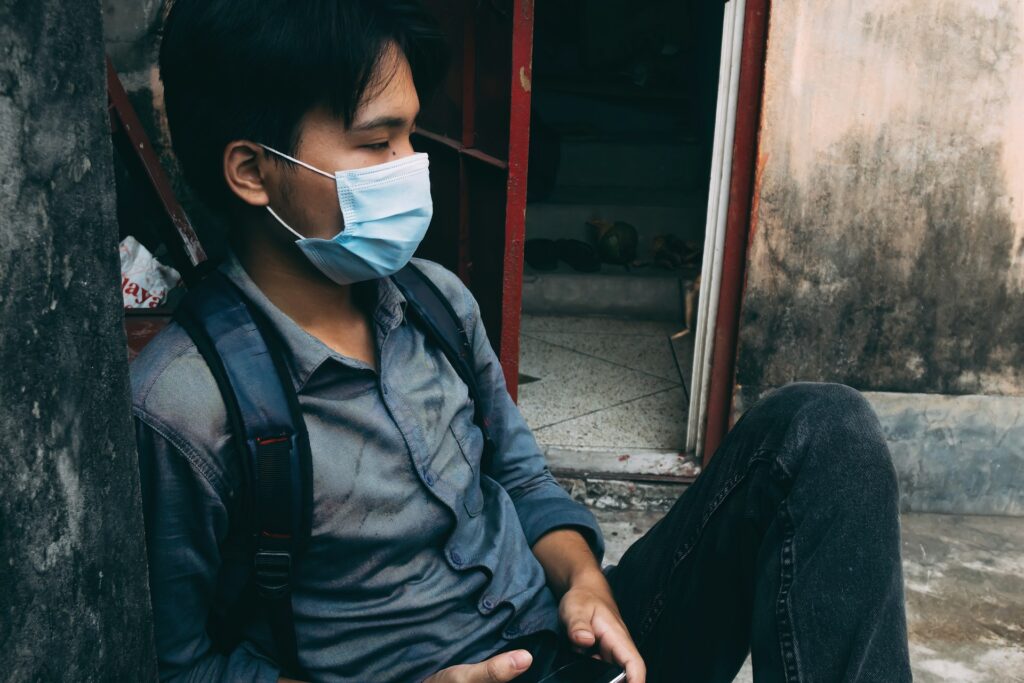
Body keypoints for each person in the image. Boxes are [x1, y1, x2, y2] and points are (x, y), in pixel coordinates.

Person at [131, 1, 913, 681]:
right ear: (252, 171)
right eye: (378, 143)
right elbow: (182, 664)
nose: (411, 166)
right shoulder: (185, 408)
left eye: (411, 133)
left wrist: (585, 582)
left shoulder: (435, 302)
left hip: (576, 649)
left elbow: (523, 478)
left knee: (821, 432)